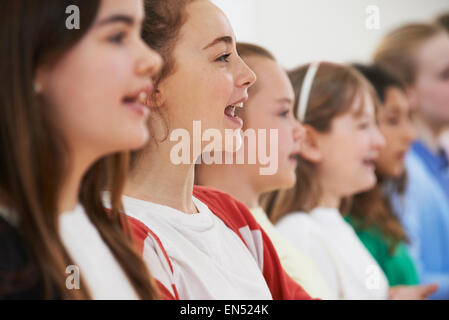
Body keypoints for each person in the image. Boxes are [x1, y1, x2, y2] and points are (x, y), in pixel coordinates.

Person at [119, 0, 313, 300]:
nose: (249, 74)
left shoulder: (232, 215)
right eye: (222, 56)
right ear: (151, 82)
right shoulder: (125, 237)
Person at [0, 0, 162, 299]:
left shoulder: (108, 233)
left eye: (139, 34)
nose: (152, 60)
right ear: (34, 59)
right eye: (117, 36)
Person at [195, 42, 333, 299]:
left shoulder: (264, 232)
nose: (300, 130)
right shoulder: (221, 237)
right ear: (231, 114)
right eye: (283, 112)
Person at [374, 23, 449, 299]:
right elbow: (411, 277)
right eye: (445, 75)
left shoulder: (437, 163)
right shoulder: (400, 170)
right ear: (409, 93)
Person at [346, 64, 420, 287]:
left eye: (409, 119)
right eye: (393, 120)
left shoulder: (379, 205)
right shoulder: (344, 219)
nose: (410, 134)